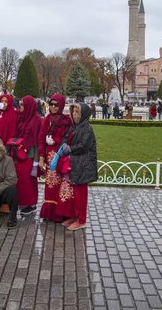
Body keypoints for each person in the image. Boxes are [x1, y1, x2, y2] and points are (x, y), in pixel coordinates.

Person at [59, 103, 98, 230]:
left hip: (83, 165)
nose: (74, 114)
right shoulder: (74, 127)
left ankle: (81, 220)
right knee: (74, 193)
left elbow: (83, 146)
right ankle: (74, 215)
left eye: (77, 112)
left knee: (81, 194)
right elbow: (65, 137)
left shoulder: (87, 128)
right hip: (74, 163)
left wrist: (69, 148)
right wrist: (65, 145)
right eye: (73, 111)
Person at [38, 94, 72, 222]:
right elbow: (40, 140)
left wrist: (56, 140)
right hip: (50, 156)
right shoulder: (46, 120)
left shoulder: (66, 121)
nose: (52, 107)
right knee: (51, 184)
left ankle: (61, 212)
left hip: (61, 155)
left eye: (56, 104)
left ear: (61, 105)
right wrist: (41, 157)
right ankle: (50, 212)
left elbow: (69, 139)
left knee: (62, 184)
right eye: (51, 104)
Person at [13, 95, 42, 215]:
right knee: (22, 179)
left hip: (30, 154)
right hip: (20, 152)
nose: (20, 107)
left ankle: (30, 203)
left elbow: (37, 140)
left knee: (27, 179)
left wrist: (36, 160)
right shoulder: (23, 117)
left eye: (22, 105)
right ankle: (25, 202)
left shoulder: (35, 120)